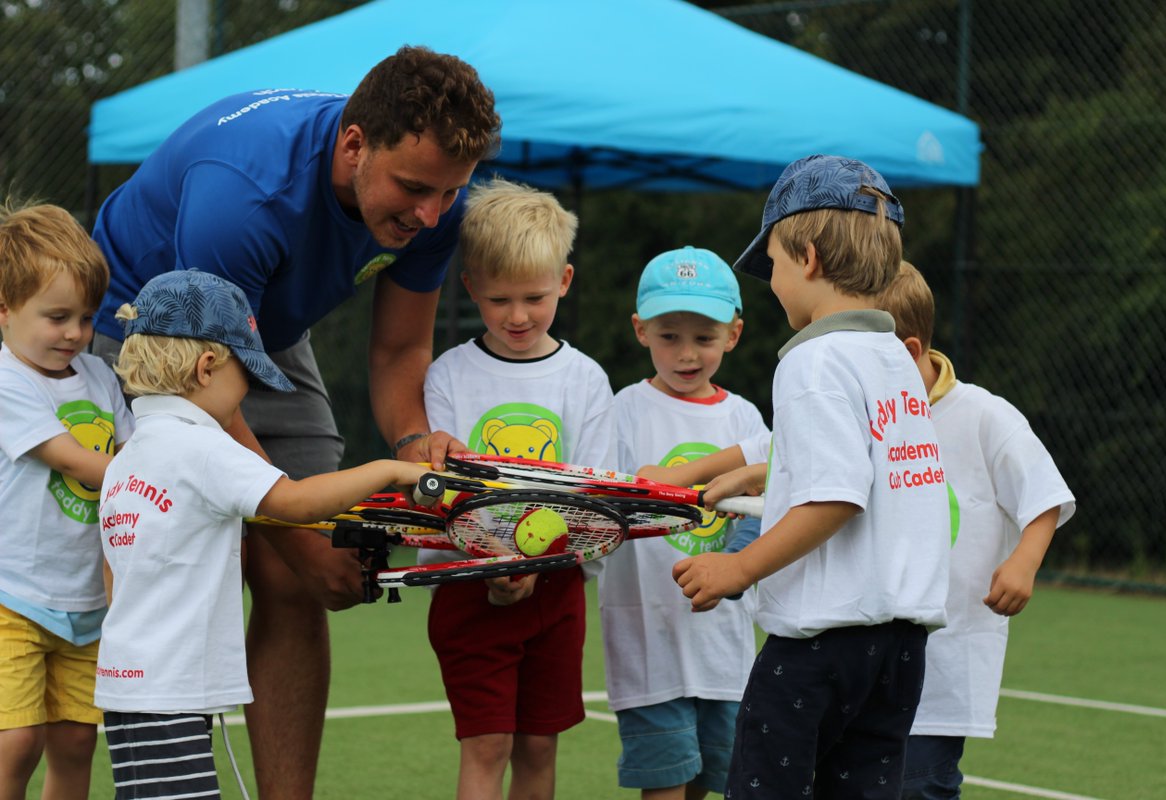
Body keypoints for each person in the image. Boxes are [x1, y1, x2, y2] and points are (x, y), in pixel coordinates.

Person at [88, 45, 500, 795]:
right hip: (147, 334)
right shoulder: (242, 197)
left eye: (449, 193)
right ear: (353, 145)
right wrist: (305, 545)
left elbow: (401, 348)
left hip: (265, 332)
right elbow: (205, 401)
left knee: (292, 580)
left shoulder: (435, 199)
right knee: (215, 551)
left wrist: (415, 440)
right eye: (414, 189)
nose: (431, 214)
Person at [672, 155, 951, 799]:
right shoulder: (894, 358)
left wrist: (737, 570)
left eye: (770, 261)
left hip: (821, 645)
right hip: (899, 651)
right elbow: (866, 471)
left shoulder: (813, 360)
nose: (769, 282)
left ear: (810, 257)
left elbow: (836, 496)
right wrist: (758, 476)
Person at [94, 269, 431, 800]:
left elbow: (115, 566)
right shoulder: (203, 447)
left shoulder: (127, 455)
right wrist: (389, 471)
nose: (246, 395)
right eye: (244, 377)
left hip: (128, 683)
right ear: (208, 367)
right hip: (172, 692)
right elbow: (293, 503)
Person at [420, 177, 615, 800]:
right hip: (468, 588)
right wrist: (496, 561)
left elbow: (595, 500)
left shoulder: (585, 380)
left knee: (537, 746)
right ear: (470, 285)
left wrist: (540, 562)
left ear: (565, 279)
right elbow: (443, 494)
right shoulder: (446, 374)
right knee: (488, 746)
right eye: (499, 299)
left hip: (557, 591)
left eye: (534, 296)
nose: (518, 316)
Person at [874, 262, 1076, 799]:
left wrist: (1023, 562)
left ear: (910, 350)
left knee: (920, 787)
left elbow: (1045, 496)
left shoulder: (986, 416)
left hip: (945, 662)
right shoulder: (861, 412)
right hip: (863, 654)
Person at [599, 246, 769, 799]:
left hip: (722, 647)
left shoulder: (744, 418)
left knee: (709, 784)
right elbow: (604, 512)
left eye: (704, 337)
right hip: (647, 641)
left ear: (735, 334)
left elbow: (764, 506)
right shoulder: (621, 409)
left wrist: (732, 571)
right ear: (640, 329)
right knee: (666, 785)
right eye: (669, 335)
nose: (687, 353)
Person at [0, 201, 135, 800]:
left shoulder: (100, 376)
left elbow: (138, 447)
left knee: (78, 740)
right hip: (15, 597)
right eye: (57, 317)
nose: (76, 333)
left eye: (85, 317)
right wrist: (157, 485)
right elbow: (76, 460)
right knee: (15, 741)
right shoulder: (8, 380)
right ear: (4, 310)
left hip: (89, 602)